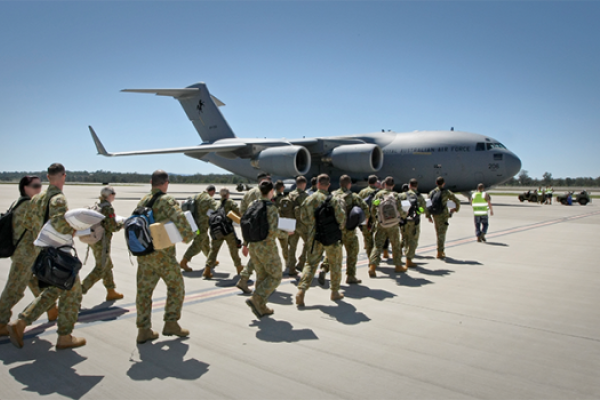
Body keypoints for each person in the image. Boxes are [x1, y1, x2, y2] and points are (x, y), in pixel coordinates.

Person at [8, 163, 85, 350]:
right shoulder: (58, 198)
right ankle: (64, 336)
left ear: (48, 177)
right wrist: (76, 227)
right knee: (73, 292)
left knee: (56, 290)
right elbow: (60, 225)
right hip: (58, 255)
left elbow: (28, 223)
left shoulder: (36, 199)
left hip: (41, 253)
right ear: (63, 176)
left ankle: (23, 323)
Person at [135, 170, 194, 344]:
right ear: (166, 183)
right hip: (163, 256)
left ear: (151, 182)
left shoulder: (143, 200)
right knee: (177, 287)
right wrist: (188, 237)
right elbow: (181, 220)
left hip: (145, 255)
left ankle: (143, 330)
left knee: (144, 293)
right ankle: (171, 322)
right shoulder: (167, 200)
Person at [0, 176, 58, 339]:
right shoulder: (28, 206)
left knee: (35, 281)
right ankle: (0, 322)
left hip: (26, 253)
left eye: (40, 186)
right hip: (25, 255)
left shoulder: (18, 202)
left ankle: (51, 309)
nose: (39, 189)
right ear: (25, 187)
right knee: (14, 289)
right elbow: (38, 229)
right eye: (35, 186)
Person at [295, 174, 346, 306]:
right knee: (335, 264)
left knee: (311, 264)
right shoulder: (333, 200)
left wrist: (312, 224)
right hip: (331, 237)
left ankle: (301, 290)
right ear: (328, 185)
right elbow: (341, 218)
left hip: (315, 236)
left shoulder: (309, 199)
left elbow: (303, 218)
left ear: (317, 184)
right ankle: (334, 292)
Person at [245, 181, 290, 318]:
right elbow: (275, 231)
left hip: (254, 246)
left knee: (262, 276)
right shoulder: (271, 208)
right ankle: (257, 298)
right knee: (276, 276)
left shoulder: (252, 205)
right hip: (267, 247)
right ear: (271, 191)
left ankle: (261, 306)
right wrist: (287, 233)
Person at [320, 175, 369, 284]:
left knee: (332, 252)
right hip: (349, 231)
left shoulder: (332, 195)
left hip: (335, 230)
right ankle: (350, 276)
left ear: (340, 184)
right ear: (349, 184)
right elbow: (366, 209)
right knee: (352, 252)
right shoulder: (353, 197)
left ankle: (324, 268)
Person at [81, 186, 124, 301]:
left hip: (95, 241)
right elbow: (112, 227)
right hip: (102, 242)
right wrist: (122, 224)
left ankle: (111, 291)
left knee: (107, 265)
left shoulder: (98, 205)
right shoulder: (108, 208)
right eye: (113, 194)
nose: (114, 196)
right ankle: (79, 291)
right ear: (109, 195)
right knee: (100, 268)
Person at [238, 173, 271, 294]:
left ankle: (246, 279)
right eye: (268, 180)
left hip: (250, 227)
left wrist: (247, 221)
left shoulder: (249, 193)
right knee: (260, 256)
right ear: (263, 181)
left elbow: (242, 210)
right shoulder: (262, 193)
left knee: (255, 255)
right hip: (262, 229)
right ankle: (257, 282)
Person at [368, 176, 405, 277]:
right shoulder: (396, 195)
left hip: (381, 224)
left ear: (384, 184)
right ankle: (398, 266)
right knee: (395, 245)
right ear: (393, 185)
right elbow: (400, 210)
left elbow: (373, 208)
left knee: (378, 245)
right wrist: (403, 216)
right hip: (393, 224)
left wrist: (375, 220)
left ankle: (372, 266)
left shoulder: (378, 195)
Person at [204, 188, 243, 279]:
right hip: (227, 230)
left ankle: (207, 269)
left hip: (217, 230)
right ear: (228, 194)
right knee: (233, 250)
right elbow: (238, 211)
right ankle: (239, 268)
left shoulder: (217, 203)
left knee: (213, 250)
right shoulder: (230, 202)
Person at [180, 185, 218, 272]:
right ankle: (184, 261)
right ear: (212, 192)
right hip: (202, 226)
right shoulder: (209, 199)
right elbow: (216, 210)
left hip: (193, 224)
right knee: (198, 245)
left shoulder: (195, 196)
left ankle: (211, 260)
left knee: (205, 242)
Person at [399, 179, 431, 267]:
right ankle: (408, 260)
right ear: (416, 186)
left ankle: (400, 252)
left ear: (409, 185)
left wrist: (403, 215)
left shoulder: (403, 195)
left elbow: (397, 207)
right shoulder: (419, 197)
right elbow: (424, 210)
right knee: (413, 240)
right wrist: (418, 212)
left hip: (404, 221)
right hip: (414, 221)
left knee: (404, 238)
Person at [429, 177, 460, 259]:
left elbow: (428, 204)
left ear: (436, 183)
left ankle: (439, 250)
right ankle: (440, 252)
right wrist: (455, 210)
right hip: (443, 215)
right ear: (444, 183)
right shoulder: (446, 192)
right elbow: (457, 201)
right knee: (442, 234)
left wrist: (428, 215)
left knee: (437, 233)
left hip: (435, 215)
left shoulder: (432, 192)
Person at [286, 176, 309, 276]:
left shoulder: (289, 195)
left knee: (292, 247)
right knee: (309, 243)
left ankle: (291, 268)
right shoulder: (304, 196)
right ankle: (301, 262)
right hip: (302, 224)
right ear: (304, 184)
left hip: (290, 224)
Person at [358, 175, 380, 259]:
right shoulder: (377, 193)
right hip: (374, 219)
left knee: (367, 238)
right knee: (375, 239)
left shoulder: (362, 192)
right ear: (375, 182)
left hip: (364, 218)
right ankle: (373, 257)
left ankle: (369, 255)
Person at [272, 180, 289, 267]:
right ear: (281, 187)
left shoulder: (271, 197)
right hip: (281, 223)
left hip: (271, 224)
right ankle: (287, 262)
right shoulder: (283, 198)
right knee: (284, 245)